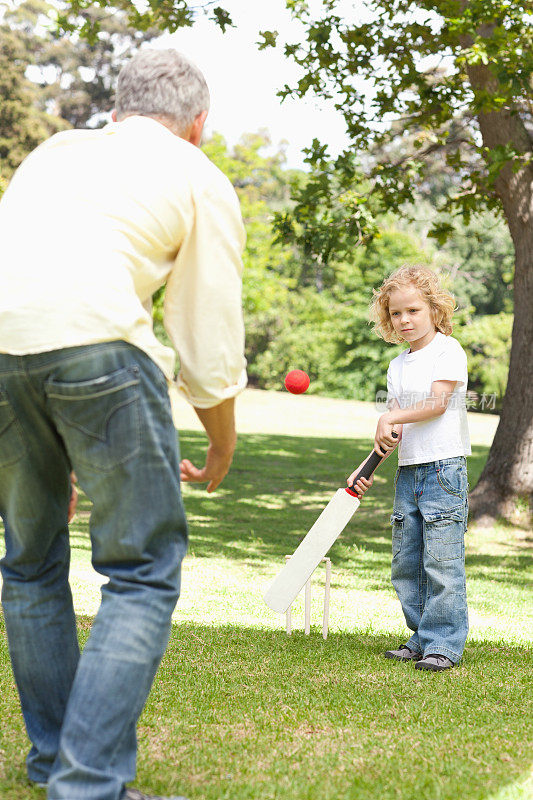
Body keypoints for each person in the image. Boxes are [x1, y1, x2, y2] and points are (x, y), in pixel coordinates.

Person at [0, 49, 247, 800]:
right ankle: (86, 782)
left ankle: (55, 766)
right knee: (141, 572)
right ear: (197, 124)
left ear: (118, 107)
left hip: (3, 352)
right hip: (102, 349)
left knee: (29, 563)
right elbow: (205, 336)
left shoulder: (55, 152)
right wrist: (221, 444)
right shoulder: (197, 173)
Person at [348, 265, 470, 672]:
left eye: (413, 310)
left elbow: (436, 405)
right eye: (396, 313)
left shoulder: (447, 351)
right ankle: (421, 637)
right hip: (408, 474)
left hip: (443, 471)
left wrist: (389, 419)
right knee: (407, 561)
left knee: (441, 561)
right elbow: (395, 429)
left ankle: (444, 644)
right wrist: (366, 466)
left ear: (435, 309)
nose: (404, 320)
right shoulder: (397, 366)